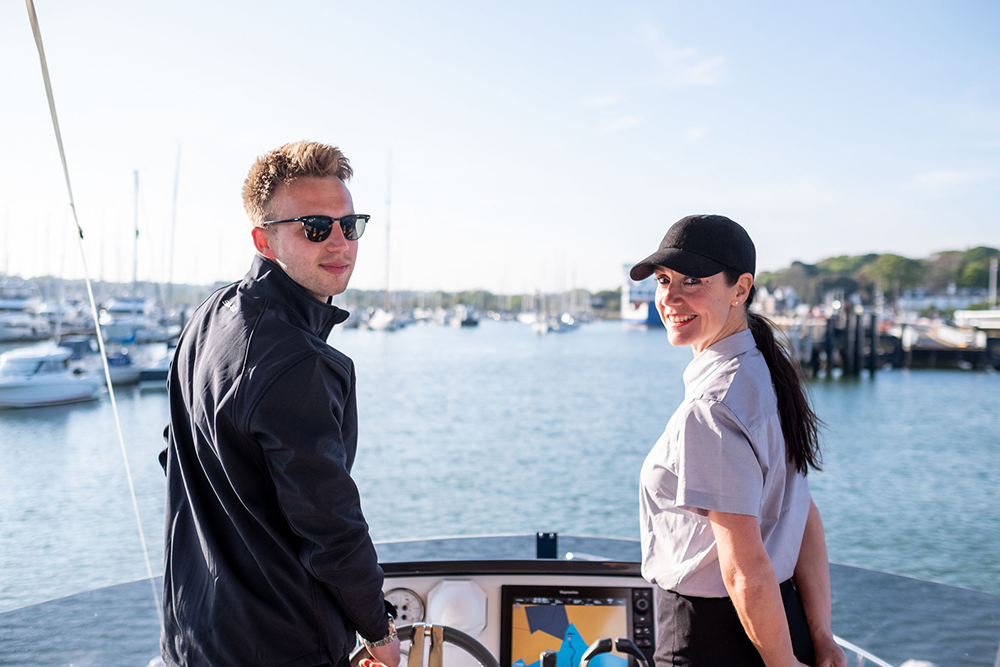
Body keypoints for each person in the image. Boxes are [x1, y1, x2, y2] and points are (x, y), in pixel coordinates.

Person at [160, 140, 401, 667]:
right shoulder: (299, 362)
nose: (339, 243)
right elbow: (330, 525)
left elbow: (174, 454)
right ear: (264, 241)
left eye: (349, 225)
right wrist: (379, 632)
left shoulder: (209, 315)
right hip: (281, 646)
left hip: (194, 635)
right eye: (315, 227)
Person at [631, 215, 847, 667]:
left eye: (693, 280)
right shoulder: (767, 374)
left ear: (740, 289)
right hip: (782, 624)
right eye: (664, 280)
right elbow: (803, 514)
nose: (669, 297)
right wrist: (820, 637)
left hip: (715, 641)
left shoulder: (712, 408)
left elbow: (746, 571)